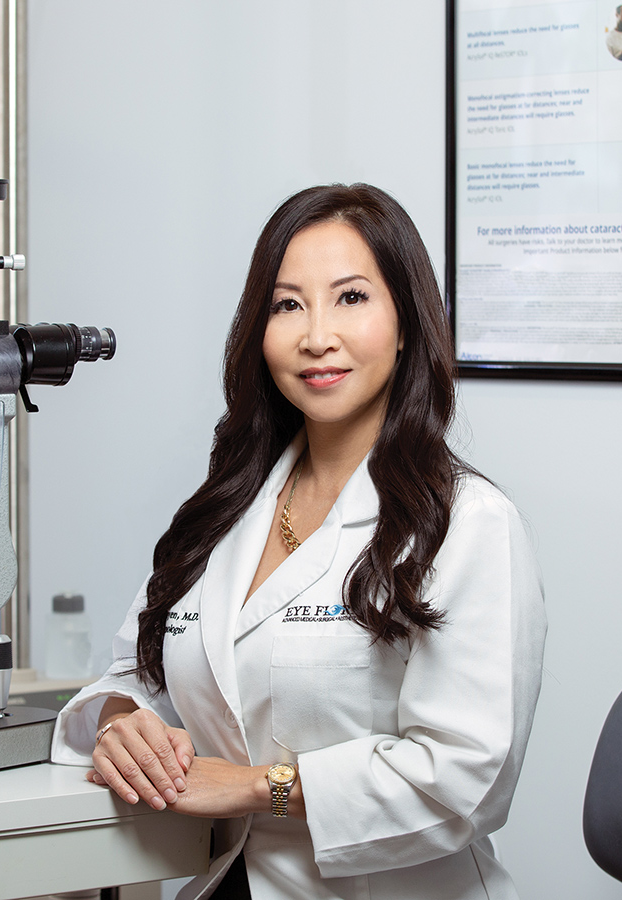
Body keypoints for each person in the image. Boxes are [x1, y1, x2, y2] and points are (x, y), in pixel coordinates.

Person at [50, 184, 547, 900]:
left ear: (406, 325)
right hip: (229, 881)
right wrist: (122, 723)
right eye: (287, 305)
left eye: (351, 298)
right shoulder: (228, 507)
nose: (316, 336)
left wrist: (259, 788)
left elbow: (465, 780)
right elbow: (142, 672)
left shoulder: (467, 524)